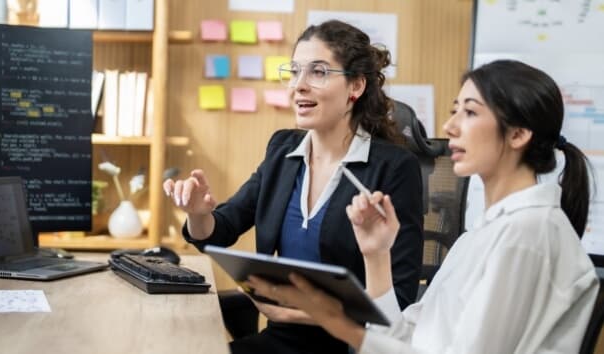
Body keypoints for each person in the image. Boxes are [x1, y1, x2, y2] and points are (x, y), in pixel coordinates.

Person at [247, 59, 600, 353]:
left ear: (518, 134)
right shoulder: (485, 233)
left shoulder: (526, 235)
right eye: (453, 111)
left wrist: (342, 325)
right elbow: (406, 336)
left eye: (471, 113)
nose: (450, 127)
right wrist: (377, 255)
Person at [162, 20, 424, 354]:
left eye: (318, 72)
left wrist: (302, 313)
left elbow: (397, 302)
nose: (298, 86)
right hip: (279, 341)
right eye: (295, 71)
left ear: (355, 86)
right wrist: (199, 214)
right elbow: (221, 229)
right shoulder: (283, 150)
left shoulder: (393, 168)